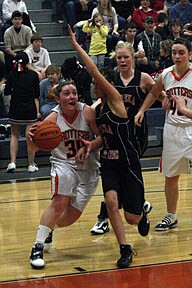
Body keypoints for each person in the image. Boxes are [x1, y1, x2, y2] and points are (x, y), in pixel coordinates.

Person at [69, 24, 152, 268]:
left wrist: (76, 46)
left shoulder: (116, 101)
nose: (95, 87)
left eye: (97, 84)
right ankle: (125, 248)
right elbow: (102, 138)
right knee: (111, 201)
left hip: (128, 161)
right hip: (109, 162)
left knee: (133, 217)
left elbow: (94, 70)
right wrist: (89, 145)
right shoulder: (97, 110)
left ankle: (141, 210)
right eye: (95, 85)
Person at [29, 80, 101, 269]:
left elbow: (102, 137)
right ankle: (37, 245)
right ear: (58, 98)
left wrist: (91, 145)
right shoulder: (52, 119)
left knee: (69, 219)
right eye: (67, 94)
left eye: (74, 93)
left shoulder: (87, 112)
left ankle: (48, 229)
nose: (72, 97)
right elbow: (34, 147)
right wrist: (31, 138)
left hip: (88, 168)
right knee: (59, 201)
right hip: (63, 164)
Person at [91, 41, 154, 235]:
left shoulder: (143, 78)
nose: (122, 60)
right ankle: (108, 215)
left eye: (126, 57)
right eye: (119, 57)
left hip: (135, 136)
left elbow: (158, 92)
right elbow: (100, 99)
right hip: (115, 134)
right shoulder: (112, 80)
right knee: (114, 180)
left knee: (125, 174)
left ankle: (135, 207)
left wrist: (167, 101)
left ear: (133, 57)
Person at [134, 37, 192, 231]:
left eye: (181, 52)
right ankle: (171, 216)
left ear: (190, 54)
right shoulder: (166, 74)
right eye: (174, 52)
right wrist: (142, 110)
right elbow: (153, 93)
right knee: (171, 176)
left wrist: (185, 110)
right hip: (172, 130)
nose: (177, 56)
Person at [5, 51, 40, 173]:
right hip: (30, 108)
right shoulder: (34, 75)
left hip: (15, 108)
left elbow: (6, 92)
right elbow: (37, 95)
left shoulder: (11, 75)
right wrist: (37, 111)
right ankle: (31, 164)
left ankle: (12, 162)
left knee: (14, 136)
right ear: (27, 62)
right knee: (30, 137)